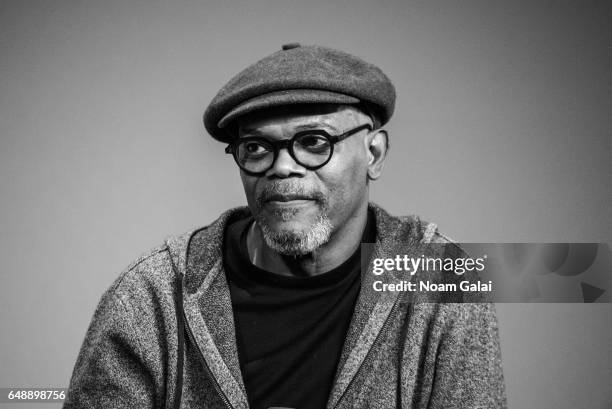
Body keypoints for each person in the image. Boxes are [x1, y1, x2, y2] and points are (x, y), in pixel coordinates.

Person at [63, 43, 507, 409]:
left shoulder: (444, 275)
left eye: (314, 142)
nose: (282, 168)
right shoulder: (153, 297)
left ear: (373, 154)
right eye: (256, 147)